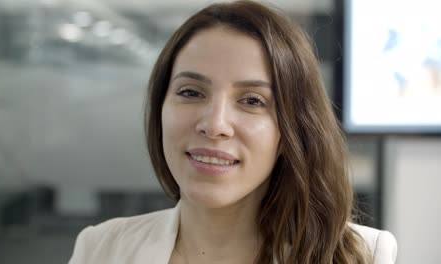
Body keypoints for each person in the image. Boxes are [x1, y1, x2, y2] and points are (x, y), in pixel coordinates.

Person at [68, 1, 397, 263]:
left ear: (291, 130)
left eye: (252, 100)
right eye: (191, 92)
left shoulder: (362, 255)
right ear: (160, 107)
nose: (214, 125)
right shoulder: (100, 249)